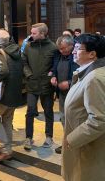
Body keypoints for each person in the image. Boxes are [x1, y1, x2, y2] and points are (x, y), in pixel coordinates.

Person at [62, 34, 105, 181]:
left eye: (78, 48)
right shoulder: (88, 73)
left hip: (85, 146)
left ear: (92, 54)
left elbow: (98, 120)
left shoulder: (93, 78)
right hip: (83, 143)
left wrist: (72, 139)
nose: (73, 51)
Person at [0, 29, 23, 161]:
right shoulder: (17, 51)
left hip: (2, 94)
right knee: (7, 120)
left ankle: (5, 148)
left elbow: (2, 71)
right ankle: (8, 149)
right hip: (14, 93)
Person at [22, 23, 57, 150]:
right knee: (30, 111)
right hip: (32, 85)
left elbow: (55, 65)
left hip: (46, 86)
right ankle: (28, 137)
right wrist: (29, 75)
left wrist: (51, 75)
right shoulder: (28, 46)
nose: (31, 35)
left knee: (48, 111)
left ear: (42, 34)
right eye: (31, 32)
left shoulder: (53, 47)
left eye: (34, 33)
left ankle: (49, 136)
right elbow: (24, 62)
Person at [50, 35, 79, 154]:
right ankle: (67, 143)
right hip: (62, 94)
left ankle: (75, 144)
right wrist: (53, 76)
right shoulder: (58, 54)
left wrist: (69, 82)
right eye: (60, 49)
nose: (61, 51)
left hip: (75, 94)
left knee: (74, 120)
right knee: (64, 119)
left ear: (71, 46)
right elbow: (54, 68)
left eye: (63, 48)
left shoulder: (78, 56)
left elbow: (83, 74)